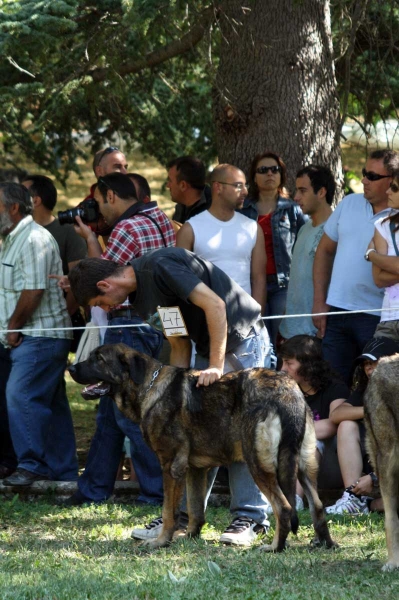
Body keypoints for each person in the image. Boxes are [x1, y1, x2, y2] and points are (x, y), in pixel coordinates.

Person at [68, 247, 273, 546]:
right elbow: (179, 343)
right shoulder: (141, 297)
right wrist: (170, 400)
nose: (107, 308)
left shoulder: (158, 267)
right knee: (192, 432)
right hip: (209, 344)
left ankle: (250, 518)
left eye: (100, 303)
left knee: (241, 428)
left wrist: (215, 366)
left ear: (104, 285)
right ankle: (180, 519)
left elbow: (215, 306)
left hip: (241, 337)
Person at [64, 172, 175, 507]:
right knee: (110, 415)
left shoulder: (126, 228)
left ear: (111, 196)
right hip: (157, 323)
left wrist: (90, 242)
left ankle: (156, 493)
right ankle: (93, 489)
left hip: (127, 324)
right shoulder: (160, 219)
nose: (98, 209)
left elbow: (104, 278)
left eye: (98, 201)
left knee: (131, 415)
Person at [0, 182, 77, 485]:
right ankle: (64, 473)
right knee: (52, 405)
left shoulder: (32, 238)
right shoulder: (12, 239)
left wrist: (13, 326)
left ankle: (33, 465)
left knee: (20, 394)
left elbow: (33, 290)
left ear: (14, 208)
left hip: (39, 334)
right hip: (33, 334)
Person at [312, 149, 394, 384]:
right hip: (337, 311)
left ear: (392, 181)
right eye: (363, 173)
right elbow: (324, 251)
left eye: (372, 176)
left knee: (375, 390)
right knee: (334, 386)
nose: (364, 180)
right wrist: (319, 301)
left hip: (380, 317)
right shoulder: (349, 203)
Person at [176, 163, 266, 310]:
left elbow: (259, 279)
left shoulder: (253, 228)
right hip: (205, 318)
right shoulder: (190, 229)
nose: (245, 192)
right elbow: (179, 280)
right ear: (218, 187)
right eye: (238, 186)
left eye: (246, 186)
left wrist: (258, 316)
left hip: (245, 317)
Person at [239, 151, 306, 347]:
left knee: (282, 340)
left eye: (274, 169)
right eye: (263, 170)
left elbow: (309, 239)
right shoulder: (243, 210)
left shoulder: (293, 209)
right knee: (256, 338)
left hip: (284, 286)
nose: (270, 174)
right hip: (250, 284)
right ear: (254, 176)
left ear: (281, 175)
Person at [326, 337, 399, 515]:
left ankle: (370, 505)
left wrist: (374, 478)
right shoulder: (370, 389)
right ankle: (354, 497)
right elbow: (336, 415)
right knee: (346, 425)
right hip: (381, 473)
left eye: (375, 363)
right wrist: (374, 409)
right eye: (366, 364)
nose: (369, 369)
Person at [279, 335, 349, 507]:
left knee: (311, 440)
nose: (282, 369)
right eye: (283, 362)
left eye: (289, 363)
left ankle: (293, 499)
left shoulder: (334, 387)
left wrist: (290, 431)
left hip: (330, 466)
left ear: (308, 365)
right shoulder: (284, 389)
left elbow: (332, 425)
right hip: (290, 463)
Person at [22, 174, 87, 350]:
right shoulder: (19, 234)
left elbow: (77, 279)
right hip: (25, 323)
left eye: (22, 193)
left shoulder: (67, 232)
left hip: (58, 324)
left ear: (35, 201)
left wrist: (62, 318)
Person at [279, 165, 334, 340]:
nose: (296, 197)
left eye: (303, 191)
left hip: (317, 331)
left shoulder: (335, 230)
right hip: (292, 330)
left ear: (322, 192)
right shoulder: (304, 228)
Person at [366, 152, 399, 341]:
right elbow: (378, 279)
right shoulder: (382, 225)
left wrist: (371, 254)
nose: (388, 192)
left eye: (394, 188)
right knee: (378, 370)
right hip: (388, 319)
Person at [167, 156, 211, 224]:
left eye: (170, 181)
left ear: (183, 185)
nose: (167, 185)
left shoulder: (213, 211)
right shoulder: (181, 207)